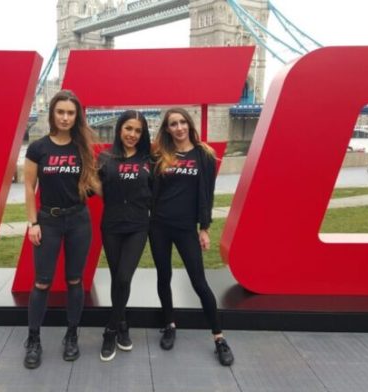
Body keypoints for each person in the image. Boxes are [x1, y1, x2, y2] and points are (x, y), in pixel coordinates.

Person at [149, 107, 234, 366]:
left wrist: (204, 228)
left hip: (186, 228)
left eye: (182, 122)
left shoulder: (204, 155)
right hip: (159, 226)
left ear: (189, 125)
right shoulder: (160, 155)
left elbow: (206, 194)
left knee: (199, 282)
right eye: (173, 124)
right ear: (167, 129)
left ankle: (218, 337)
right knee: (164, 277)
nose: (179, 128)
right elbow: (151, 190)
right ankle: (169, 324)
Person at [22, 90, 99, 369]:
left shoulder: (82, 148)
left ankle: (71, 335)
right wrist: (32, 223)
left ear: (76, 116)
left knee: (74, 281)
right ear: (53, 114)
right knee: (42, 281)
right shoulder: (38, 148)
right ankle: (33, 339)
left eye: (70, 113)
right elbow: (29, 187)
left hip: (78, 220)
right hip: (48, 221)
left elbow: (92, 186)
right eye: (61, 112)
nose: (65, 117)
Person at [96, 110, 152, 361]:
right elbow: (93, 186)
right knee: (117, 278)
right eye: (128, 129)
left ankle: (110, 330)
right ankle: (122, 324)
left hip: (138, 226)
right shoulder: (105, 157)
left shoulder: (149, 159)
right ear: (120, 129)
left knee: (124, 278)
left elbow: (157, 191)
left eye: (138, 131)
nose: (132, 134)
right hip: (111, 226)